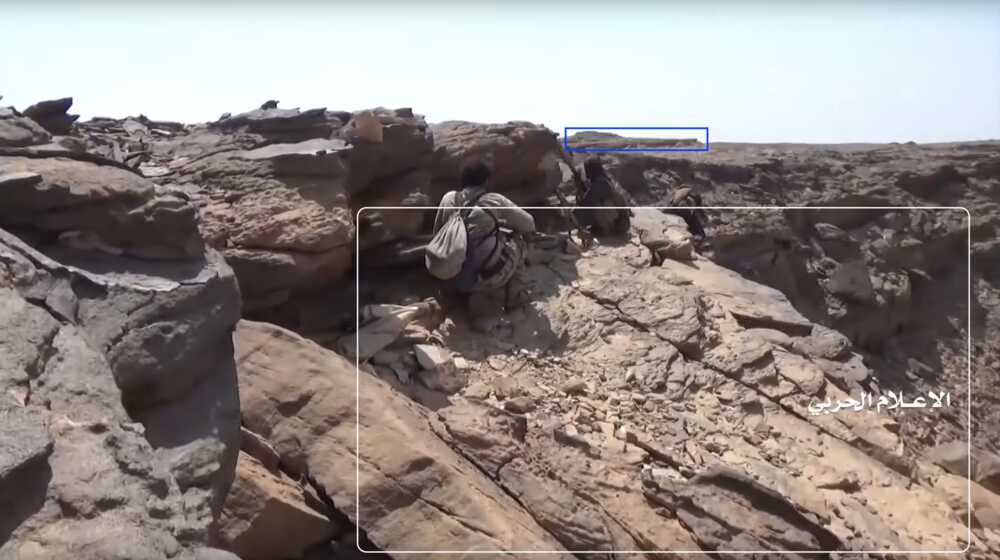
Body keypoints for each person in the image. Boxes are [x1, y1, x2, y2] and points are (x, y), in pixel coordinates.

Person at [432, 160, 536, 329]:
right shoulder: (493, 200)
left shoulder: (448, 198)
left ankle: (455, 295)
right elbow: (528, 223)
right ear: (486, 181)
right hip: (480, 280)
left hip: (449, 276)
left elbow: (437, 232)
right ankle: (515, 297)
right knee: (518, 241)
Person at [574, 157, 632, 236]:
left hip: (618, 226)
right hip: (622, 224)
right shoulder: (605, 181)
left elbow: (586, 202)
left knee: (597, 204)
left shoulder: (601, 184)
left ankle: (606, 229)